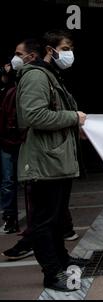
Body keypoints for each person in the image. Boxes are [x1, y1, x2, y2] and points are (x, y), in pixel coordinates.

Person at [15, 30, 88, 291]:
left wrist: (75, 127)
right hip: (45, 162)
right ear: (50, 49)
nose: (69, 53)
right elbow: (34, 116)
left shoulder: (50, 76)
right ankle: (52, 272)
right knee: (44, 219)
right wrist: (73, 119)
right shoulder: (36, 76)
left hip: (56, 159)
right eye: (65, 47)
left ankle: (62, 260)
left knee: (56, 217)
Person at [0, 39, 40, 234]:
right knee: (8, 182)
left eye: (19, 54)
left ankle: (34, 222)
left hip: (22, 139)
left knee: (30, 183)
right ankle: (10, 218)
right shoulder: (8, 82)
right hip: (6, 140)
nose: (15, 59)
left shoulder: (29, 79)